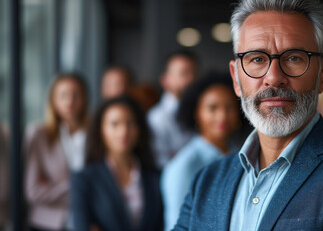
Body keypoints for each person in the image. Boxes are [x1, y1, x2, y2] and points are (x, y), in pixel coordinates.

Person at [173, 0, 323, 230]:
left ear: (322, 74)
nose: (273, 78)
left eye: (294, 58)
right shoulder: (205, 182)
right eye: (257, 59)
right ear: (235, 78)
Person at [161, 73, 241, 231]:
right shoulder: (182, 166)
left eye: (229, 107)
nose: (222, 116)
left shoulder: (244, 155)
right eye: (213, 108)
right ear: (196, 112)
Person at [71, 96, 163, 231]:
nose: (123, 131)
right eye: (114, 124)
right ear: (100, 130)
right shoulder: (84, 179)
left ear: (140, 128)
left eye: (130, 123)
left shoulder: (156, 176)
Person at [25, 74, 88, 231]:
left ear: (85, 98)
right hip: (46, 223)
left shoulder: (95, 134)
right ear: (53, 100)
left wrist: (54, 186)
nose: (70, 101)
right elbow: (33, 192)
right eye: (63, 95)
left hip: (88, 220)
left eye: (76, 94)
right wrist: (78, 185)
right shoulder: (38, 135)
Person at [147, 51, 198, 168]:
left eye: (194, 73)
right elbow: (160, 162)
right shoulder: (157, 118)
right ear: (165, 80)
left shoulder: (199, 111)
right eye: (183, 73)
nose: (191, 79)